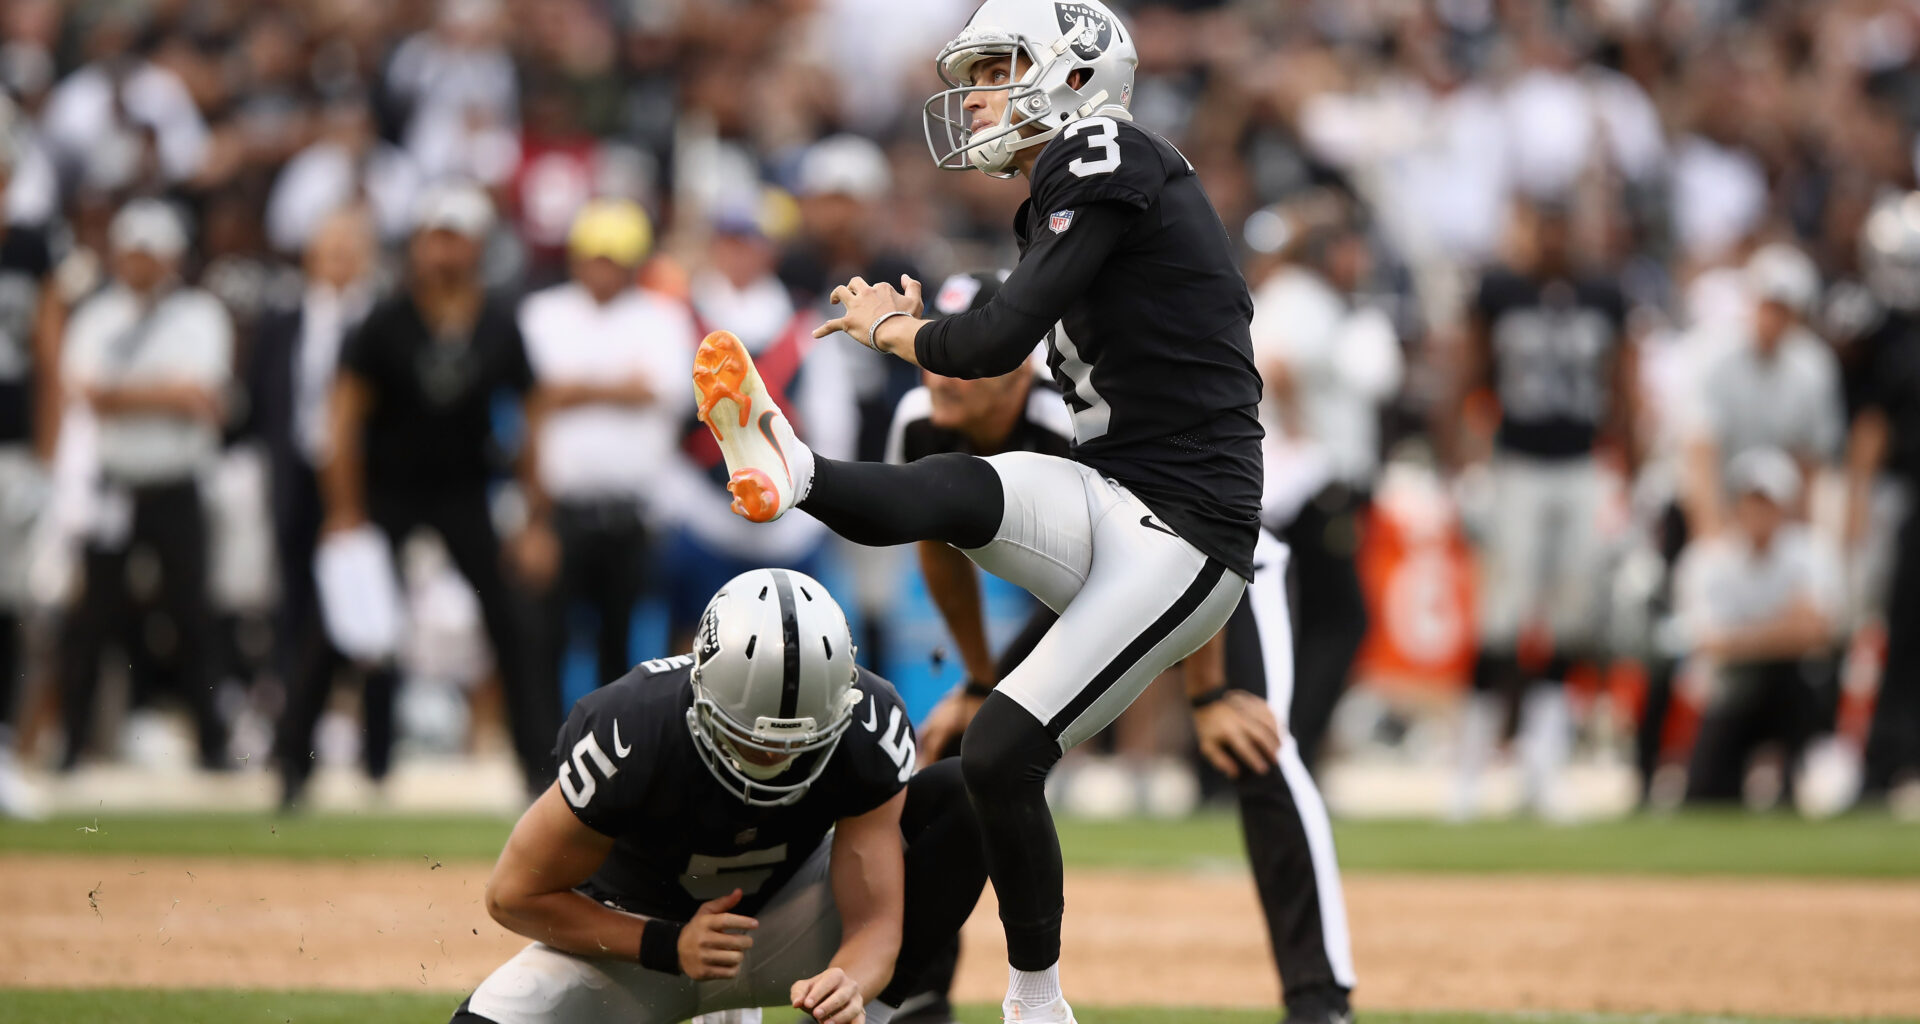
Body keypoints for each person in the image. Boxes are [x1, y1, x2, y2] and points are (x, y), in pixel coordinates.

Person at [691, 3, 1264, 1019]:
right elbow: (990, 349)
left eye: (1001, 66)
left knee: (1001, 752)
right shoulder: (1073, 178)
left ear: (1076, 73)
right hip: (1118, 490)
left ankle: (1036, 998)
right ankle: (794, 469)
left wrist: (899, 328)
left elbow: (991, 342)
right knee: (957, 483)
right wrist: (919, 332)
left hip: (1187, 530)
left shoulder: (1103, 150)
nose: (983, 92)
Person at [893, 272, 1356, 1024]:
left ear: (1012, 361)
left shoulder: (1064, 416)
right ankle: (916, 992)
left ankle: (1319, 1000)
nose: (940, 373)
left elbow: (1177, 543)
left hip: (1216, 561)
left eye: (959, 354)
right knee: (960, 751)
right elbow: (939, 552)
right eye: (933, 354)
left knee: (1259, 748)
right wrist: (978, 679)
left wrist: (1206, 695)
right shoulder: (920, 419)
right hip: (1098, 585)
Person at [449, 569, 988, 1024]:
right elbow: (512, 895)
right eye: (750, 739)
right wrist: (666, 944)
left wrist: (851, 984)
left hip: (779, 929)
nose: (775, 760)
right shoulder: (630, 728)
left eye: (800, 744)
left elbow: (875, 924)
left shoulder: (868, 722)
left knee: (960, 797)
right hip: (636, 946)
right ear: (702, 691)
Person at [300, 182, 550, 801]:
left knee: (511, 621)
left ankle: (539, 771)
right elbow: (344, 419)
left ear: (478, 246)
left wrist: (533, 516)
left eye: (456, 238)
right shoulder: (385, 320)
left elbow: (533, 415)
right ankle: (293, 765)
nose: (444, 252)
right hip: (389, 490)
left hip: (465, 489)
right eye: (435, 237)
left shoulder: (497, 321)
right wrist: (345, 511)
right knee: (343, 621)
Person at [1453, 199, 1633, 820]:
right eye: (1544, 223)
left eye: (1561, 224)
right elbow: (1469, 373)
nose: (1553, 236)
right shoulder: (1500, 290)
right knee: (1502, 620)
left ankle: (1543, 767)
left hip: (1582, 465)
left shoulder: (1605, 293)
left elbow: (1623, 383)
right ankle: (1472, 772)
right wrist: (1467, 460)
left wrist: (1626, 468)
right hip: (1518, 466)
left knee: (1569, 620)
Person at [57, 199, 231, 771]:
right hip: (115, 485)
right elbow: (86, 393)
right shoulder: (96, 316)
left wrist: (123, 395)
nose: (140, 264)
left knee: (194, 616)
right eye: (131, 253)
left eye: (150, 254)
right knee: (92, 619)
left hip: (176, 483)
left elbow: (202, 397)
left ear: (173, 258)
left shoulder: (199, 315)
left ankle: (214, 745)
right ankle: (70, 744)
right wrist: (163, 394)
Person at [516, 200, 695, 697]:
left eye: (613, 259)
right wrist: (619, 388)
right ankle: (544, 763)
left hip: (632, 512)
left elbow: (665, 392)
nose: (603, 270)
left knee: (620, 646)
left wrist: (570, 391)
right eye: (595, 257)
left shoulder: (662, 316)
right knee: (544, 640)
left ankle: (611, 765)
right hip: (558, 509)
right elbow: (532, 402)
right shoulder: (542, 313)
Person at [1247, 207, 1402, 772]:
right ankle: (1295, 749)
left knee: (1306, 618)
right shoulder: (1300, 298)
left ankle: (1287, 748)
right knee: (1338, 619)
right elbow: (1277, 366)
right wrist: (1298, 434)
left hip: (1309, 485)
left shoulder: (1299, 299)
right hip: (1309, 488)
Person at [248, 208, 380, 798]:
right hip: (295, 476)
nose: (338, 263)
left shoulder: (379, 319)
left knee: (369, 614)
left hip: (362, 480)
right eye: (329, 251)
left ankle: (376, 753)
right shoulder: (280, 320)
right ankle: (292, 751)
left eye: (349, 251)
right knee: (295, 613)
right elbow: (261, 399)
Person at [1674, 448, 1842, 804]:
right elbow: (1706, 642)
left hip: (1793, 689)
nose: (1760, 514)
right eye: (1752, 502)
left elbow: (1819, 632)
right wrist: (1783, 626)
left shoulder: (1811, 550)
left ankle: (1803, 772)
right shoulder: (1709, 559)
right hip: (1732, 691)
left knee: (1805, 686)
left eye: (1768, 503)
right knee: (1705, 794)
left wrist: (1744, 636)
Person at [0, 128, 61, 815]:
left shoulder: (30, 247)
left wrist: (46, 460)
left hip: (10, 448)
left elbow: (50, 356)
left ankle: (5, 746)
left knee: (9, 609)